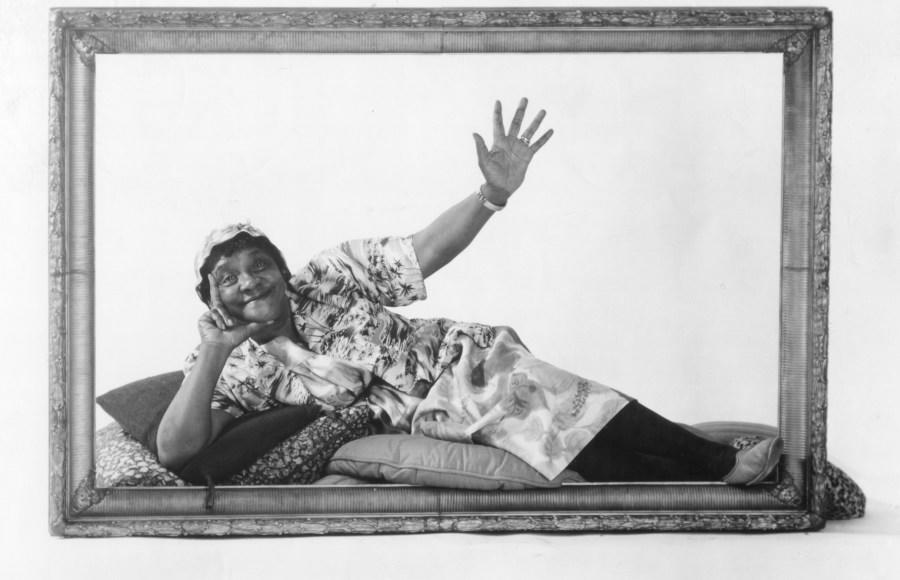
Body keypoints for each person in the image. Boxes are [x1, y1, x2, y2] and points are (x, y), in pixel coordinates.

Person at [156, 98, 782, 485]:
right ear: (211, 297)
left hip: (465, 363)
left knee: (574, 408)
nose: (249, 282)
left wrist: (492, 195)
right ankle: (714, 469)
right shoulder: (230, 365)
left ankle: (720, 464)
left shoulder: (329, 274)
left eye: (258, 264)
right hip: (429, 420)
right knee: (572, 457)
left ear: (282, 269)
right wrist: (213, 351)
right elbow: (176, 451)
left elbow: (424, 248)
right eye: (227, 278)